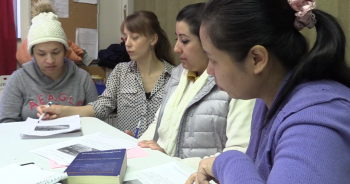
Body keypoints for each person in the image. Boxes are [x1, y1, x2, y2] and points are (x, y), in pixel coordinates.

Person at [186, 0, 350, 183]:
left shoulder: (317, 121)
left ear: (256, 59)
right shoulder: (267, 98)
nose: (209, 70)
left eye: (212, 59)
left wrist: (227, 161)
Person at [126, 3, 255, 170]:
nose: (176, 48)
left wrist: (170, 162)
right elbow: (159, 123)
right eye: (176, 39)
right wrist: (140, 146)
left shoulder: (237, 82)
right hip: (161, 171)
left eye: (185, 41)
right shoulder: (178, 74)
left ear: (208, 43)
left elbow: (238, 153)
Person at [37, 11, 175, 137]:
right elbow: (101, 106)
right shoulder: (121, 72)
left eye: (134, 37)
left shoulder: (175, 76)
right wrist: (62, 111)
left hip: (161, 153)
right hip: (129, 150)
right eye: (125, 38)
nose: (127, 44)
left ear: (153, 39)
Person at [0, 0, 98, 123]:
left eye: (56, 52)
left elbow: (97, 118)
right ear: (33, 54)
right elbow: (6, 124)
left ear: (65, 51)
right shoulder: (18, 80)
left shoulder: (82, 79)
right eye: (41, 54)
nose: (50, 60)